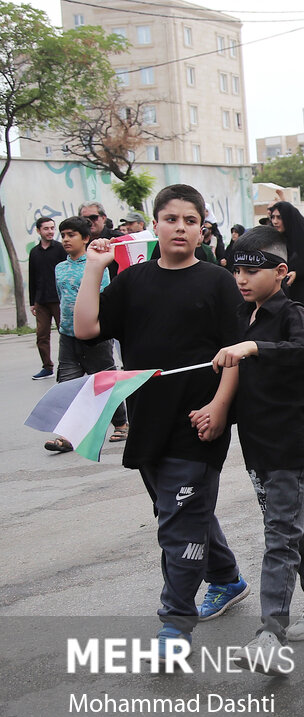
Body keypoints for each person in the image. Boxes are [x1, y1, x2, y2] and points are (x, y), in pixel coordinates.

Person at [73, 185, 245, 655]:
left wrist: (220, 408)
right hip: (149, 419)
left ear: (202, 228)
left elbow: (236, 356)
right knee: (179, 511)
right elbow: (86, 328)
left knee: (179, 522)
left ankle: (174, 625)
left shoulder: (218, 281)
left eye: (191, 220)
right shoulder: (133, 281)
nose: (181, 228)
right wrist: (94, 268)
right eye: (171, 219)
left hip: (198, 419)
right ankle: (226, 578)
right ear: (155, 225)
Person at [210, 226, 304, 672]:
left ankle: (270, 633)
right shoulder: (242, 314)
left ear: (281, 272)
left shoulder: (293, 313)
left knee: (279, 536)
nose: (242, 279)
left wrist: (253, 347)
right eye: (237, 271)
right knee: (293, 527)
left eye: (253, 270)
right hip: (256, 446)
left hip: (289, 447)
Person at [43, 216, 126, 452]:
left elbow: (102, 298)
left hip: (94, 336)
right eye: (64, 235)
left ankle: (121, 422)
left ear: (86, 238)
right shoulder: (60, 268)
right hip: (67, 335)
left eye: (72, 235)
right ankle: (68, 436)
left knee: (103, 383)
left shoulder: (96, 266)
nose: (66, 239)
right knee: (67, 384)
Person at [268, 200, 304, 319]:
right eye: (273, 217)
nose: (275, 221)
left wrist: (298, 273)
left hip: (300, 300)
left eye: (279, 217)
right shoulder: (272, 241)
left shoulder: (302, 240)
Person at [28, 215, 66, 380]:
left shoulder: (60, 249)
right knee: (41, 335)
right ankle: (47, 366)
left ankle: (68, 365)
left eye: (52, 228)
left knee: (65, 333)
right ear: (38, 231)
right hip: (41, 300)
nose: (50, 231)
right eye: (46, 228)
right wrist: (32, 302)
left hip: (59, 299)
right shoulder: (34, 252)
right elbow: (32, 277)